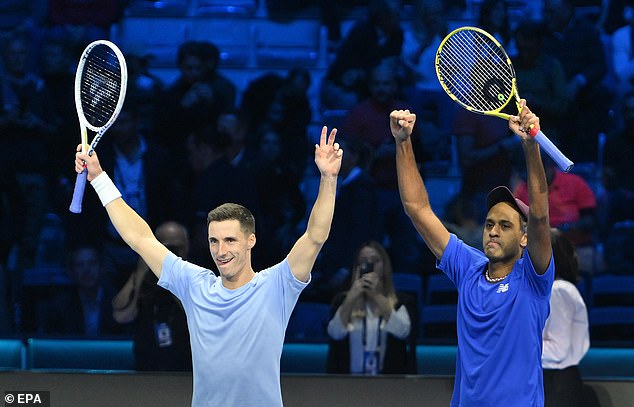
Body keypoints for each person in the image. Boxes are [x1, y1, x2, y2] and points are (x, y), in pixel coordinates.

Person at [74, 125, 343, 406]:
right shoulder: (195, 284)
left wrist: (328, 178)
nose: (221, 250)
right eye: (214, 241)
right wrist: (99, 178)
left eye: (230, 240)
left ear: (251, 240)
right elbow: (140, 238)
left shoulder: (276, 285)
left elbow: (315, 236)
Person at [391, 101, 554, 406]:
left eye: (505, 225)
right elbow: (418, 209)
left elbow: (541, 215)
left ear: (524, 238)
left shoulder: (533, 281)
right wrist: (403, 143)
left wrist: (530, 145)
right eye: (490, 223)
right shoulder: (468, 268)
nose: (493, 230)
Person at [326, 240, 416, 374]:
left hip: (389, 385)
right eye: (363, 261)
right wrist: (351, 298)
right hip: (348, 384)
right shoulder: (343, 301)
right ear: (357, 267)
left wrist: (377, 296)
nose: (369, 265)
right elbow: (335, 333)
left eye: (375, 260)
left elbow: (403, 331)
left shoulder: (400, 302)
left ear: (384, 267)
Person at [112, 221, 192, 372]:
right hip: (146, 371)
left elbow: (201, 316)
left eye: (177, 247)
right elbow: (121, 316)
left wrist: (175, 277)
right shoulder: (144, 278)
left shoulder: (197, 277)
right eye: (166, 247)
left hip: (186, 373)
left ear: (187, 246)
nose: (171, 253)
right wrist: (141, 271)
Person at [542, 228, 590, 407]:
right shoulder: (551, 291)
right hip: (551, 381)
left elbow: (557, 350)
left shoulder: (558, 291)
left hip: (556, 384)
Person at [44, 245, 119, 336]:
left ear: (101, 268)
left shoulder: (119, 303)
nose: (87, 270)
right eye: (80, 264)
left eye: (92, 263)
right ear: (71, 272)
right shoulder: (59, 306)